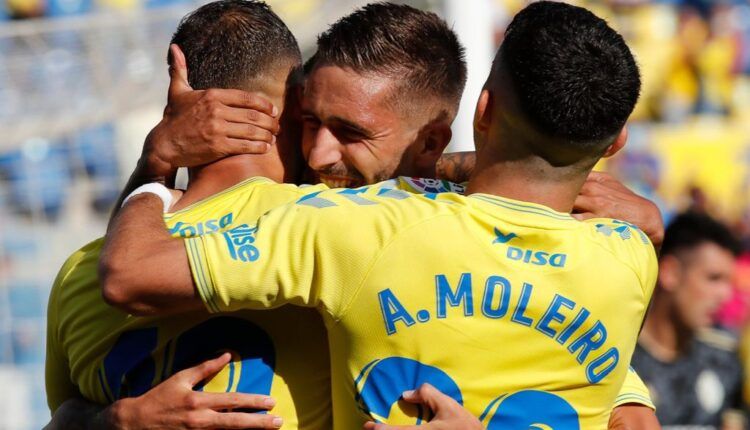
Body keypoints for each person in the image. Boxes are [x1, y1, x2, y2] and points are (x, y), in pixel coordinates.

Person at [100, 2, 659, 428]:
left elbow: (129, 274)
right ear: (615, 142)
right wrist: (114, 420)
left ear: (476, 116)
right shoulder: (628, 258)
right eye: (306, 121)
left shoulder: (351, 227)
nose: (318, 155)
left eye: (350, 133)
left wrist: (160, 161)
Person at [633, 212, 745, 429]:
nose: (725, 295)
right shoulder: (615, 359)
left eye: (728, 282)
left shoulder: (723, 359)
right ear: (670, 272)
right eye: (713, 278)